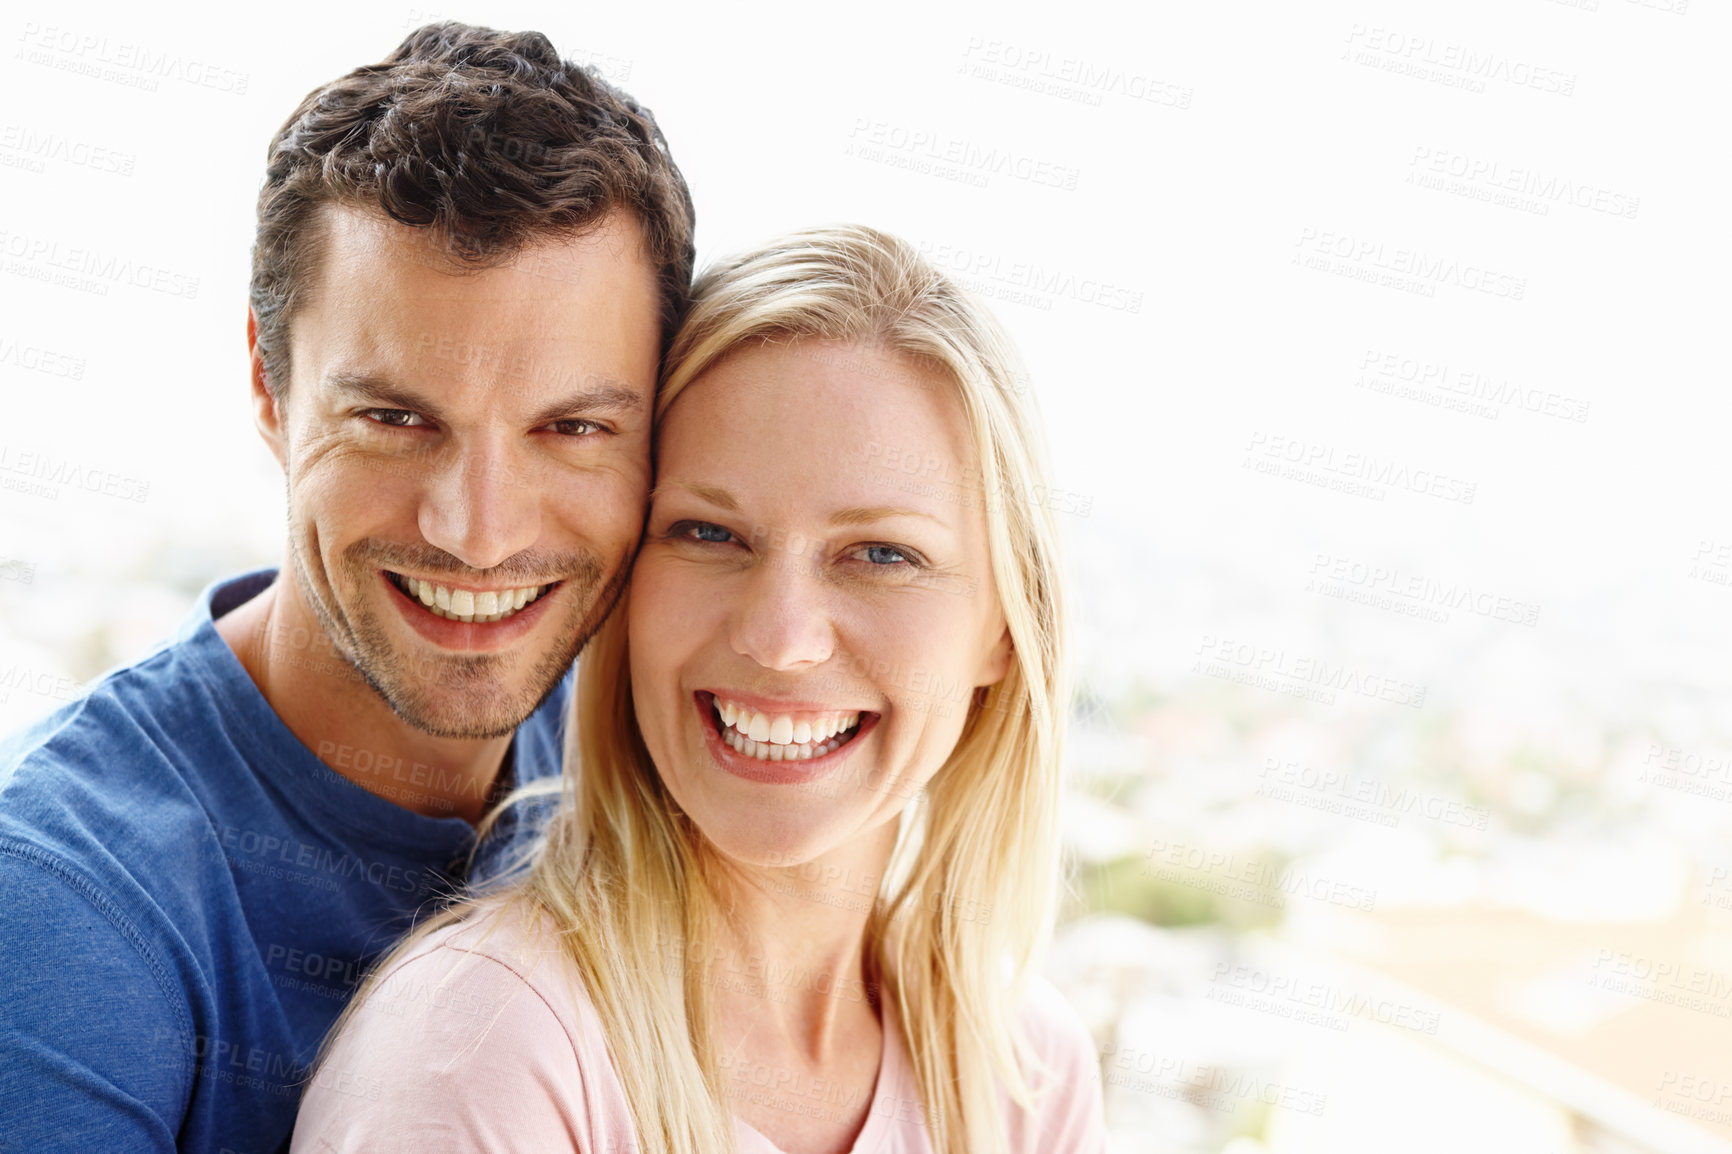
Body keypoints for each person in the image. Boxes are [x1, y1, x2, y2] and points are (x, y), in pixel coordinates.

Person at [0, 22, 693, 1153]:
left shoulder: (664, 764)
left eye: (572, 428)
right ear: (270, 386)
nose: (476, 531)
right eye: (393, 418)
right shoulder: (58, 907)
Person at [293, 226, 1106, 1153]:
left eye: (883, 554)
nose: (779, 636)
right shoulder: (485, 1045)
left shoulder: (1024, 1075)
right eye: (708, 534)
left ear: (1005, 629)